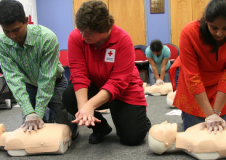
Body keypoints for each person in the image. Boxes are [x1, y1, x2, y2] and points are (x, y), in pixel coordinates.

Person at [62, 0, 151, 145]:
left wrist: (90, 106)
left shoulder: (123, 40)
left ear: (105, 28)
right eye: (81, 30)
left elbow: (117, 82)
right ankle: (101, 127)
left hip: (124, 90)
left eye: (89, 33)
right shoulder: (76, 37)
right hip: (95, 86)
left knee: (132, 138)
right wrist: (84, 108)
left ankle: (138, 118)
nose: (83, 36)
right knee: (69, 96)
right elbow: (78, 74)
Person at [0, 0, 78, 137]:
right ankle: (45, 114)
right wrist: (29, 112)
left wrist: (39, 111)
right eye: (6, 31)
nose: (12, 36)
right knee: (32, 127)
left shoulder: (47, 38)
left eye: (16, 30)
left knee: (67, 128)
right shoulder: (2, 43)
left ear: (26, 20)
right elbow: (13, 77)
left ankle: (63, 119)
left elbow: (46, 79)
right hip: (28, 84)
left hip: (54, 82)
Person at [171, 0, 226, 132]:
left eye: (225, 28)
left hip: (221, 88)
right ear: (206, 21)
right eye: (214, 28)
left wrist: (216, 113)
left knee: (219, 133)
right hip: (194, 87)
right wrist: (209, 114)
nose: (219, 33)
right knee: (197, 133)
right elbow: (192, 76)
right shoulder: (189, 32)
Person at [148, 121, 226, 160]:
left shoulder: (189, 130)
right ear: (166, 143)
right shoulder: (196, 145)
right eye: (161, 128)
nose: (165, 122)